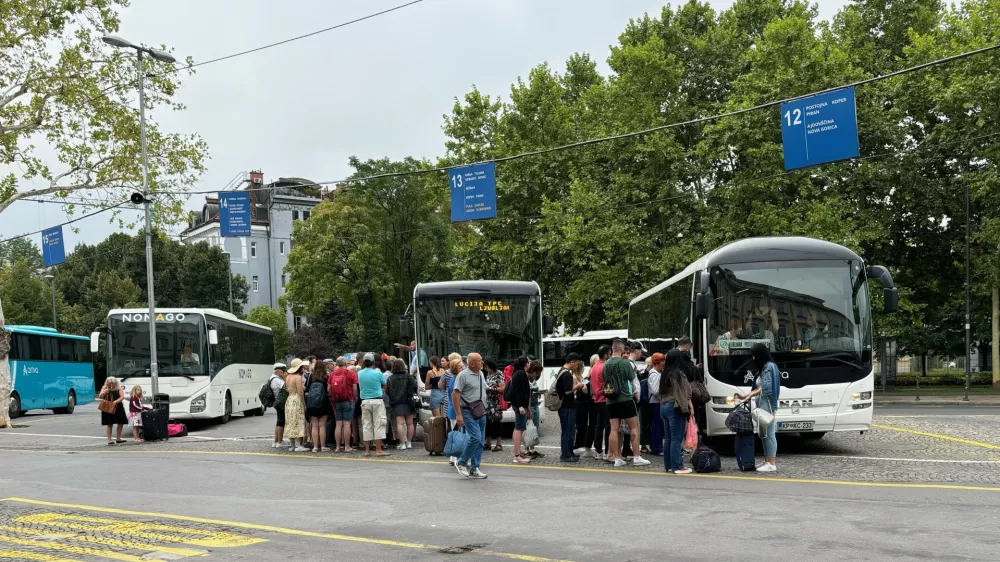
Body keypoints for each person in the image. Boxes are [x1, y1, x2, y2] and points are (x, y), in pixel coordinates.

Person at [604, 340, 651, 467]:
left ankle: (617, 458)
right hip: (625, 398)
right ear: (621, 349)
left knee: (614, 430)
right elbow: (631, 379)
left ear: (612, 348)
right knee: (634, 427)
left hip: (610, 400)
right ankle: (636, 456)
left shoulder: (606, 363)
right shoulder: (625, 363)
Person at [736, 343, 781, 472]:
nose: (753, 359)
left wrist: (749, 395)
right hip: (762, 404)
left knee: (769, 433)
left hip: (767, 404)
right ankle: (767, 460)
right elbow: (758, 388)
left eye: (754, 356)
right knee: (763, 434)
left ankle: (771, 462)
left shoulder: (769, 367)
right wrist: (746, 395)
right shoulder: (764, 368)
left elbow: (765, 388)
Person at [453, 353, 489, 479]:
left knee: (480, 440)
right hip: (468, 410)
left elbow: (483, 388)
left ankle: (475, 468)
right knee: (475, 437)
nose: (482, 362)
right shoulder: (463, 375)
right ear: (472, 363)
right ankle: (462, 462)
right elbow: (456, 393)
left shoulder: (481, 374)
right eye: (480, 360)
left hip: (480, 410)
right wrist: (458, 414)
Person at [658, 350, 692, 474]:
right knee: (676, 438)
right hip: (675, 407)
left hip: (664, 407)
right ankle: (678, 466)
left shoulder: (664, 373)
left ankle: (669, 465)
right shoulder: (679, 374)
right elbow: (688, 391)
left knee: (668, 438)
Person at [358, 352, 390, 457]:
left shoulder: (359, 373)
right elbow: (385, 385)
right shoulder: (377, 373)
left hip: (365, 401)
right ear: (373, 362)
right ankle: (378, 450)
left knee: (367, 425)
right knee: (379, 424)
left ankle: (367, 450)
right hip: (377, 400)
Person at [556, 353, 586, 462]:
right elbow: (567, 391)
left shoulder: (561, 371)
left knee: (569, 430)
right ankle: (566, 455)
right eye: (576, 364)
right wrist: (577, 387)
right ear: (572, 362)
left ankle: (569, 452)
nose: (576, 366)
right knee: (568, 431)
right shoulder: (567, 374)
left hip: (565, 406)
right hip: (567, 406)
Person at [328, 357, 358, 453]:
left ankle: (337, 447)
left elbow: (328, 389)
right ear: (345, 363)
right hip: (348, 400)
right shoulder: (351, 373)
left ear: (336, 364)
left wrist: (333, 397)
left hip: (337, 401)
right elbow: (354, 388)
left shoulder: (332, 374)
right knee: (347, 424)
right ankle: (347, 446)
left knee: (338, 424)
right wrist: (354, 397)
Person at [506, 356, 532, 464]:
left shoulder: (518, 373)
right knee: (519, 429)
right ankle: (517, 456)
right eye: (529, 361)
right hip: (519, 405)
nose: (530, 363)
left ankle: (517, 453)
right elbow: (515, 391)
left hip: (519, 405)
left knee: (518, 429)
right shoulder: (520, 374)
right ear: (526, 364)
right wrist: (521, 406)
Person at [387, 358, 417, 450]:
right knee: (410, 423)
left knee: (400, 424)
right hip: (408, 402)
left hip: (397, 402)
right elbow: (414, 386)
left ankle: (402, 443)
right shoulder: (408, 376)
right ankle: (409, 442)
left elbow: (388, 391)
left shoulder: (390, 378)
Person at [589, 345, 611, 461]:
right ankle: (608, 451)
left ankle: (598, 451)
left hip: (597, 399)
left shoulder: (594, 367)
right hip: (605, 399)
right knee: (608, 426)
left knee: (599, 426)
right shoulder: (605, 366)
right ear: (606, 354)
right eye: (610, 353)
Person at [573, 355, 597, 458]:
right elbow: (575, 390)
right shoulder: (576, 377)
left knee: (585, 425)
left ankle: (582, 445)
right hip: (581, 403)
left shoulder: (583, 377)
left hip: (585, 403)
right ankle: (579, 445)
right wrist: (581, 387)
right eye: (582, 367)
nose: (583, 368)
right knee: (582, 425)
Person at [281, 359, 308, 451]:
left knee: (290, 421)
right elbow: (300, 391)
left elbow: (286, 388)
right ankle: (298, 445)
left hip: (289, 400)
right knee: (298, 420)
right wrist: (303, 402)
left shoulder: (288, 377)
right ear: (299, 368)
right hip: (296, 400)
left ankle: (292, 445)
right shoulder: (298, 377)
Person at [306, 360, 332, 453]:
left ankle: (315, 447)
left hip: (312, 402)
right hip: (323, 402)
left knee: (314, 426)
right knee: (322, 425)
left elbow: (307, 389)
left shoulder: (311, 376)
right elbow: (328, 389)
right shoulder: (326, 376)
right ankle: (323, 446)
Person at [443, 357, 463, 465]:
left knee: (455, 433)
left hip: (452, 409)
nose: (463, 367)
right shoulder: (458, 379)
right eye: (461, 366)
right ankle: (456, 457)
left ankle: (453, 457)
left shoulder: (452, 379)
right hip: (456, 409)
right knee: (457, 433)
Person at [483, 358, 506, 452]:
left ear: (490, 367)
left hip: (496, 402)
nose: (485, 369)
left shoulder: (499, 374)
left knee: (496, 422)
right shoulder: (488, 374)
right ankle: (487, 443)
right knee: (487, 422)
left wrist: (491, 389)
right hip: (487, 402)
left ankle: (499, 444)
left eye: (486, 367)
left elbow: (502, 389)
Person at [524, 359, 545, 458]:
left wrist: (540, 391)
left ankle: (532, 449)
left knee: (534, 428)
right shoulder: (526, 378)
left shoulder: (533, 379)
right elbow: (527, 394)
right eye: (537, 372)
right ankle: (527, 449)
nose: (537, 375)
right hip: (530, 405)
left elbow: (532, 391)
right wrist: (528, 409)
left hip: (535, 403)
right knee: (528, 428)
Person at [99, 377, 127, 445]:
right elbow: (100, 397)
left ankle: (118, 438)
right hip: (108, 407)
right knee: (109, 423)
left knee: (121, 422)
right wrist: (104, 392)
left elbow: (122, 397)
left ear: (115, 383)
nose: (111, 385)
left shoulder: (119, 388)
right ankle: (109, 439)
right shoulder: (104, 388)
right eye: (109, 383)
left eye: (113, 383)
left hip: (118, 407)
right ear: (107, 383)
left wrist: (114, 402)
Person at [646, 353, 664, 456]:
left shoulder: (656, 373)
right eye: (663, 360)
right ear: (659, 362)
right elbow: (655, 390)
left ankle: (656, 446)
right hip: (656, 402)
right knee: (657, 426)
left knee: (657, 425)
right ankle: (657, 447)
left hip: (656, 402)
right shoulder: (654, 374)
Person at [269, 363, 287, 448]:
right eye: (283, 371)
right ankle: (279, 442)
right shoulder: (277, 379)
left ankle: (276, 441)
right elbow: (286, 386)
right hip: (280, 402)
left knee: (278, 422)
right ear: (278, 371)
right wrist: (285, 378)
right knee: (281, 422)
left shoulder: (272, 378)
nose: (284, 372)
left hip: (277, 402)